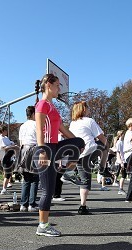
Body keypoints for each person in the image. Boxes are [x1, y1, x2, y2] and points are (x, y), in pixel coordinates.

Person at [34, 73, 85, 236]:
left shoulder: (53, 107)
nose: (59, 89)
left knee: (79, 142)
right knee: (47, 191)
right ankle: (43, 226)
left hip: (55, 147)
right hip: (46, 148)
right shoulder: (42, 105)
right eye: (57, 86)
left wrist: (77, 144)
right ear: (49, 85)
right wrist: (41, 151)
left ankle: (68, 172)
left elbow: (64, 131)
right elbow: (39, 130)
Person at [69, 101, 110, 214]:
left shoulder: (72, 123)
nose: (89, 110)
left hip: (78, 154)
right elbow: (101, 137)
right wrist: (108, 148)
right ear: (83, 109)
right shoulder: (89, 121)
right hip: (90, 150)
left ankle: (83, 206)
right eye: (87, 108)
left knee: (85, 180)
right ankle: (102, 168)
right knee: (104, 145)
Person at [18, 106, 39, 212]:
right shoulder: (36, 124)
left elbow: (21, 142)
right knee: (35, 178)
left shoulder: (22, 126)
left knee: (26, 179)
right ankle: (32, 204)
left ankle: (23, 204)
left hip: (24, 150)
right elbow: (40, 139)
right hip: (34, 149)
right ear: (34, 114)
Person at [0, 125, 18, 195]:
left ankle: (5, 187)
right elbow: (4, 147)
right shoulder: (1, 138)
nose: (6, 131)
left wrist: (13, 145)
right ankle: (4, 189)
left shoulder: (5, 138)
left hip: (9, 156)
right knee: (7, 174)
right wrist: (13, 146)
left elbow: (10, 143)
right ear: (2, 131)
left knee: (8, 173)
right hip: (4, 157)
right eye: (5, 130)